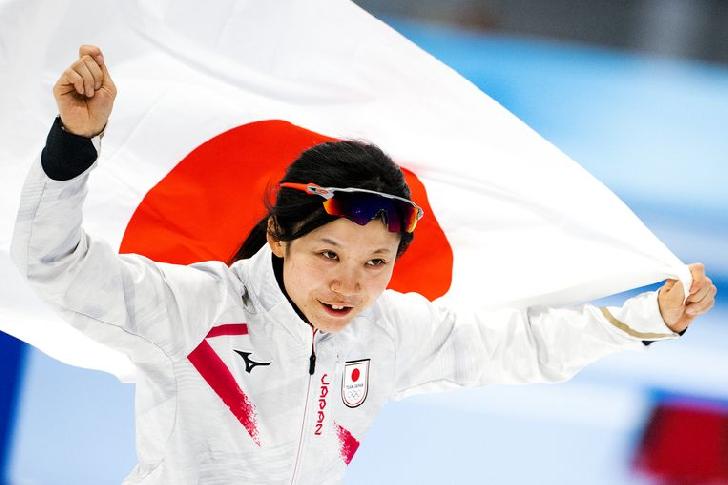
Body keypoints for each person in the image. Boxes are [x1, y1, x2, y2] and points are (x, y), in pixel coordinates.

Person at [11, 45, 717, 485]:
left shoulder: (390, 335)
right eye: (329, 254)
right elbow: (52, 265)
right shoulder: (197, 308)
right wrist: (74, 145)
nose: (351, 283)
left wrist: (646, 318)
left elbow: (527, 343)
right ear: (278, 237)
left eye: (377, 261)